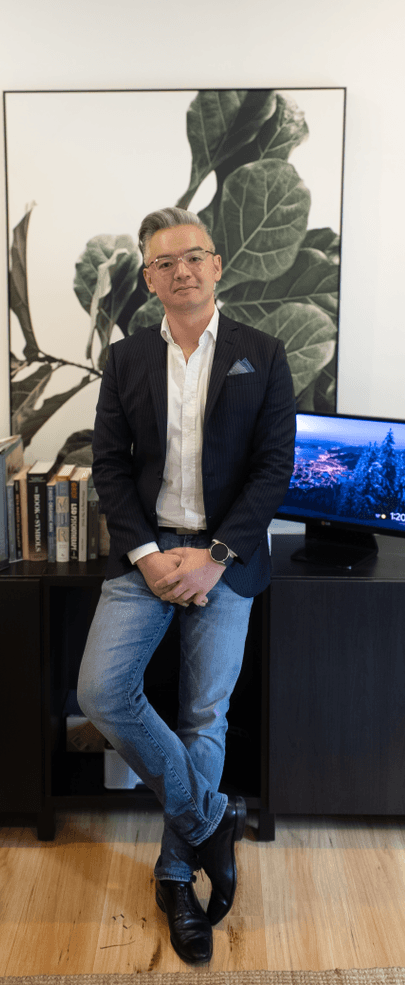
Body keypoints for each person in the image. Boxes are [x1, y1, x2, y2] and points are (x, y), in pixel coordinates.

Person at [77, 206, 295, 965]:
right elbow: (109, 464)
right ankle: (210, 821)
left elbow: (273, 467)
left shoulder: (262, 354)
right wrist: (146, 554)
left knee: (205, 712)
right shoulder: (126, 358)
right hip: (145, 555)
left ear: (217, 265)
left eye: (193, 256)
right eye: (164, 262)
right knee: (102, 692)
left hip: (223, 557)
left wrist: (215, 557)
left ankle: (176, 876)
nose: (182, 271)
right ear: (148, 279)